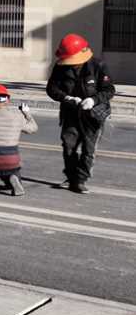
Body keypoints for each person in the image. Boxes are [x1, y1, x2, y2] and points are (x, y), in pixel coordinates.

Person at [46, 33, 114, 194]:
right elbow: (52, 89)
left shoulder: (98, 66)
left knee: (88, 150)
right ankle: (71, 177)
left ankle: (80, 180)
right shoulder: (60, 67)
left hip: (93, 115)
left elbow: (109, 90)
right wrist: (67, 97)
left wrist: (93, 100)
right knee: (68, 146)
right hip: (71, 112)